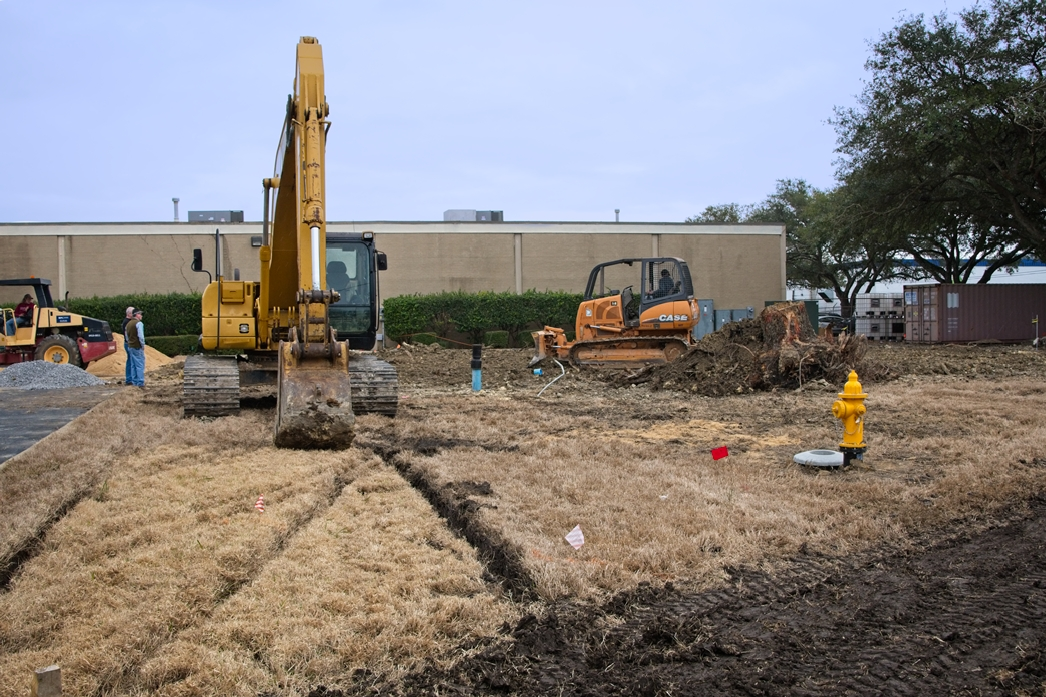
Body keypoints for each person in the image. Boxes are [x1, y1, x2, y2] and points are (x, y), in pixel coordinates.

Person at [125, 307, 146, 387]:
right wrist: (142, 345)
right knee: (140, 364)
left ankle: (134, 382)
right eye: (140, 314)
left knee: (133, 365)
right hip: (137, 346)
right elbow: (141, 336)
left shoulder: (128, 324)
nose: (141, 316)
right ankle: (140, 382)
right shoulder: (139, 324)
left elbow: (127, 337)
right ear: (137, 315)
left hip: (130, 346)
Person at [121, 306, 135, 385]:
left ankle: (130, 378)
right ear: (129, 313)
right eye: (133, 313)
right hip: (129, 344)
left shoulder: (126, 321)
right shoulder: (127, 322)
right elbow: (128, 334)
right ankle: (129, 379)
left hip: (127, 343)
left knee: (130, 360)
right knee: (130, 361)